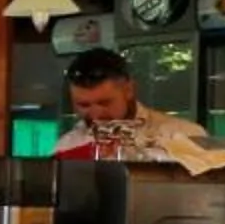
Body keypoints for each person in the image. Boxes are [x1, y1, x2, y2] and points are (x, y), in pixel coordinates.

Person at [53, 49, 206, 162]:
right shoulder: (67, 146)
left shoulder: (184, 134)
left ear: (129, 90)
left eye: (104, 102)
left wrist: (138, 154)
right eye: (84, 105)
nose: (96, 114)